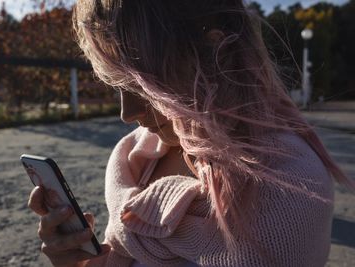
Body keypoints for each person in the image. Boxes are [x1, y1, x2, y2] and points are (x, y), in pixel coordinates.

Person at [28, 0, 353, 266]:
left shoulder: (290, 185)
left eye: (142, 85)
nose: (127, 114)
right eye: (119, 87)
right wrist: (77, 261)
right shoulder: (138, 156)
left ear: (216, 56)